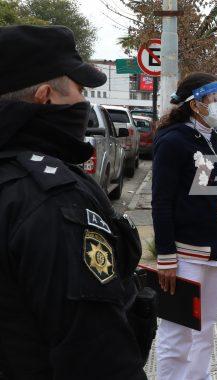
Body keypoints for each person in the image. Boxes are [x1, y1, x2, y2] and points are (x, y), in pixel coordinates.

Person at [0, 25, 146, 379]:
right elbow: (96, 353)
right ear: (45, 96)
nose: (84, 103)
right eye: (80, 90)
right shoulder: (53, 202)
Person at [152, 72, 217, 380]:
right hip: (184, 254)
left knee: (206, 330)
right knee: (178, 332)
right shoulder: (172, 140)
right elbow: (161, 201)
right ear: (195, 104)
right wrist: (165, 256)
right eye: (214, 98)